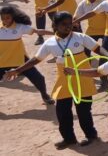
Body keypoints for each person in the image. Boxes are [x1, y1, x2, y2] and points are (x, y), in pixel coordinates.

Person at [5, 12, 102, 149]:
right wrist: (17, 70)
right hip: (64, 82)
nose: (68, 27)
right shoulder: (50, 43)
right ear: (55, 25)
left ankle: (91, 135)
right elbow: (35, 60)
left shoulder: (80, 37)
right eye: (64, 24)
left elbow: (98, 49)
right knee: (62, 112)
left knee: (84, 111)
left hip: (82, 79)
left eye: (70, 24)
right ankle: (69, 138)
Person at [0, 6, 53, 104]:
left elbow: (39, 31)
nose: (5, 20)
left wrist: (56, 33)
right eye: (2, 18)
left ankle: (45, 95)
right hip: (2, 60)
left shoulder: (20, 27)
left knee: (39, 78)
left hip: (19, 58)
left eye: (8, 18)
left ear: (13, 17)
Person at [73, 0, 108, 90]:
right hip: (91, 30)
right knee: (84, 54)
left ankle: (104, 81)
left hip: (107, 31)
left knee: (106, 56)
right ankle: (86, 75)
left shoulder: (105, 2)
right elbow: (75, 17)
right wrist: (75, 25)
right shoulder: (84, 3)